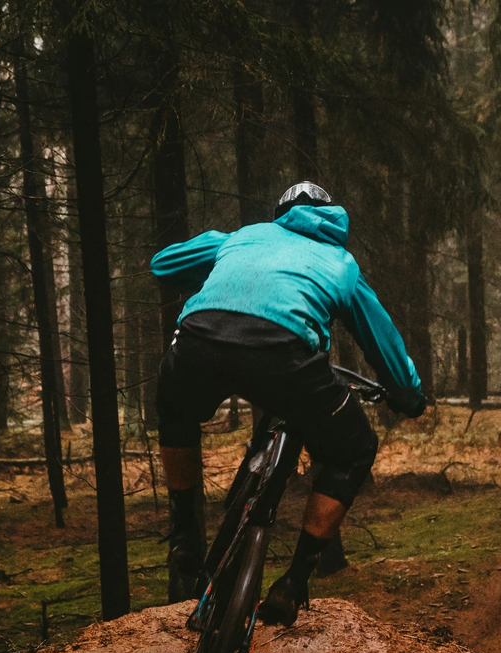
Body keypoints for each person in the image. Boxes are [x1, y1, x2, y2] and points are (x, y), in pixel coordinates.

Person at [150, 181, 427, 627]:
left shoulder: (244, 236)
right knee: (354, 449)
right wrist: (410, 398)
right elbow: (385, 346)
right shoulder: (342, 263)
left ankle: (184, 534)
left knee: (176, 411)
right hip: (285, 356)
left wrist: (223, 256)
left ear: (280, 213)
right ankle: (294, 583)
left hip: (197, 342)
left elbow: (163, 265)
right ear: (332, 218)